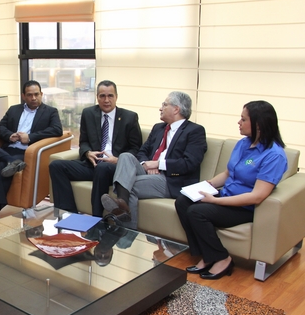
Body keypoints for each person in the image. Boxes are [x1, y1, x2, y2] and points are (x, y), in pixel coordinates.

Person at [175, 100, 287, 279]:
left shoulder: (274, 155)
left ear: (258, 124)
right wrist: (208, 184)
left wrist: (215, 201)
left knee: (197, 212)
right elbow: (229, 173)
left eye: (243, 119)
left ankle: (222, 258)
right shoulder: (243, 143)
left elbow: (257, 196)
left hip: (245, 207)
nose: (239, 122)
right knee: (183, 201)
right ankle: (207, 255)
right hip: (227, 195)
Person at [101, 91, 207, 229]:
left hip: (170, 179)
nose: (160, 108)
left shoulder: (195, 131)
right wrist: (146, 164)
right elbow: (142, 151)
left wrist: (159, 164)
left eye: (164, 105)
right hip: (148, 173)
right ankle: (123, 204)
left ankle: (125, 231)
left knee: (127, 186)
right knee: (125, 156)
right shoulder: (158, 128)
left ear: (176, 109)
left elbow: (190, 163)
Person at [49, 80, 142, 216]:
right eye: (102, 96)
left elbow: (136, 149)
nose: (106, 100)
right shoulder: (88, 113)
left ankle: (96, 219)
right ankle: (69, 214)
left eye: (110, 96)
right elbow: (84, 142)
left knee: (102, 168)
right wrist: (88, 153)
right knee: (56, 166)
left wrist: (118, 160)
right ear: (97, 97)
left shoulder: (129, 117)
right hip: (92, 165)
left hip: (115, 169)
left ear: (116, 97)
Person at [0, 80, 62, 224]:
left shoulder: (50, 112)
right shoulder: (14, 110)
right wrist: (10, 135)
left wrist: (30, 137)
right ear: (23, 96)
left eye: (36, 94)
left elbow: (57, 130)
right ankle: (11, 161)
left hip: (26, 152)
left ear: (41, 94)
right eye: (30, 95)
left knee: (3, 165)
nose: (33, 98)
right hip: (8, 149)